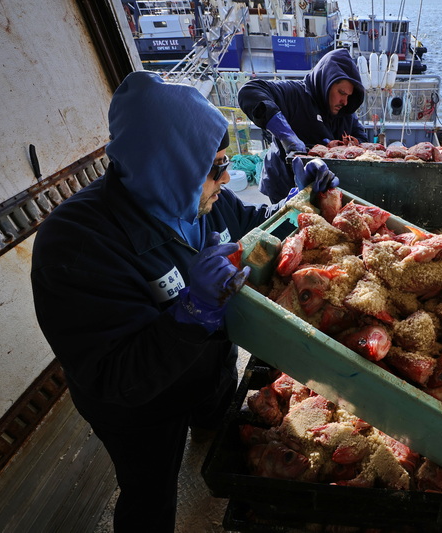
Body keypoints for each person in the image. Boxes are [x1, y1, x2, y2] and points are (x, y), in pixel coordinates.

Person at [30, 71, 338, 532]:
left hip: (207, 364)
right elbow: (117, 377)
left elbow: (252, 226)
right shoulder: (74, 248)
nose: (227, 177)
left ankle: (208, 417)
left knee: (216, 422)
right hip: (141, 409)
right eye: (216, 168)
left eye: (224, 162)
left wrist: (299, 204)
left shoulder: (196, 195)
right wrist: (191, 313)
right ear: (171, 164)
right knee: (150, 493)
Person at [239, 48, 368, 203]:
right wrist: (287, 136)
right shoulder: (295, 94)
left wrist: (352, 146)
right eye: (341, 93)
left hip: (324, 185)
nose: (345, 102)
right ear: (327, 82)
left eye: (349, 96)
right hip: (284, 184)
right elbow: (250, 91)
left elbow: (361, 137)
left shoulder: (345, 111)